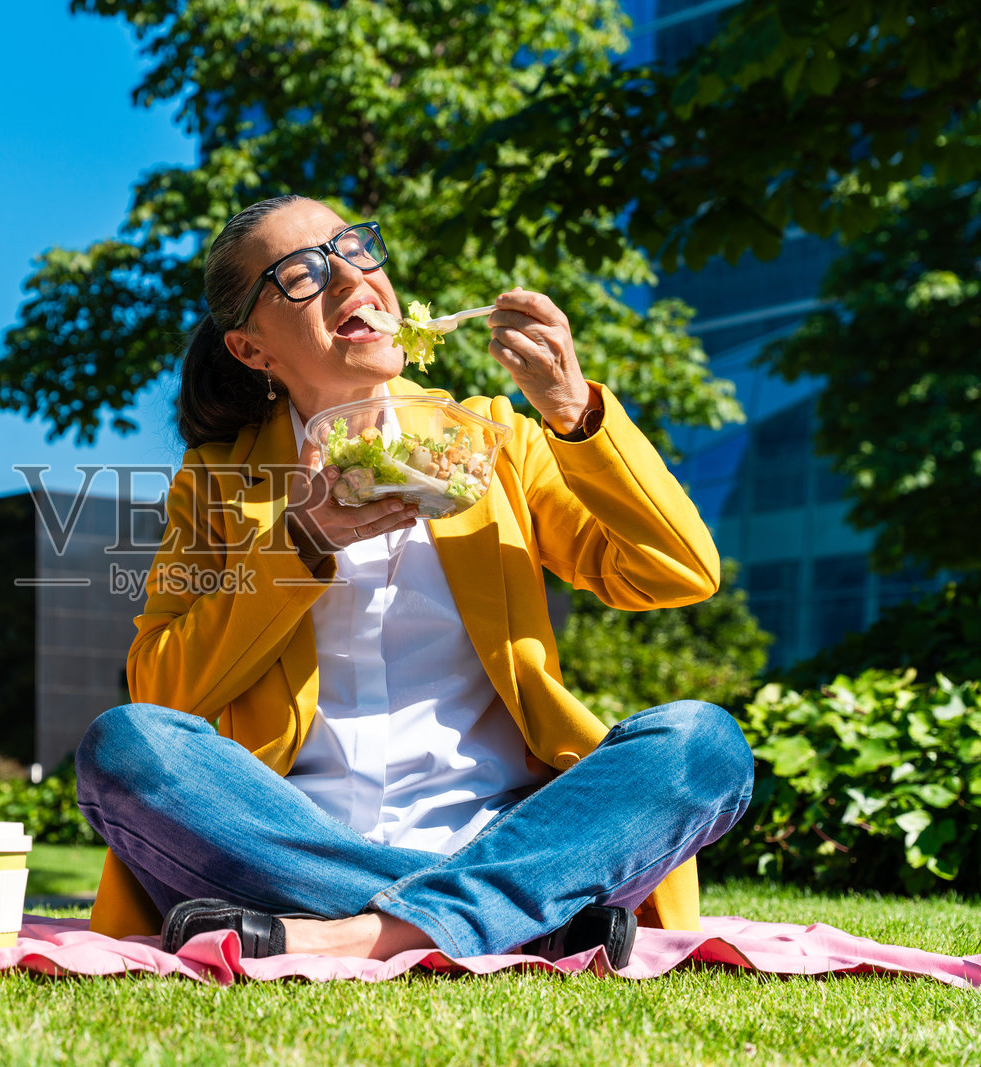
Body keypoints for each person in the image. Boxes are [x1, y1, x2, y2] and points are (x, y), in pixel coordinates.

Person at [74, 194, 754, 963]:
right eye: (302, 271)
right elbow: (161, 695)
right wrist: (296, 545)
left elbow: (679, 570)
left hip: (500, 833)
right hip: (292, 844)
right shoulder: (216, 478)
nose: (347, 277)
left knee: (703, 744)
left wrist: (574, 413)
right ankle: (516, 916)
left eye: (355, 249)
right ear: (251, 349)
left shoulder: (496, 442)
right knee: (125, 746)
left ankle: (367, 934)